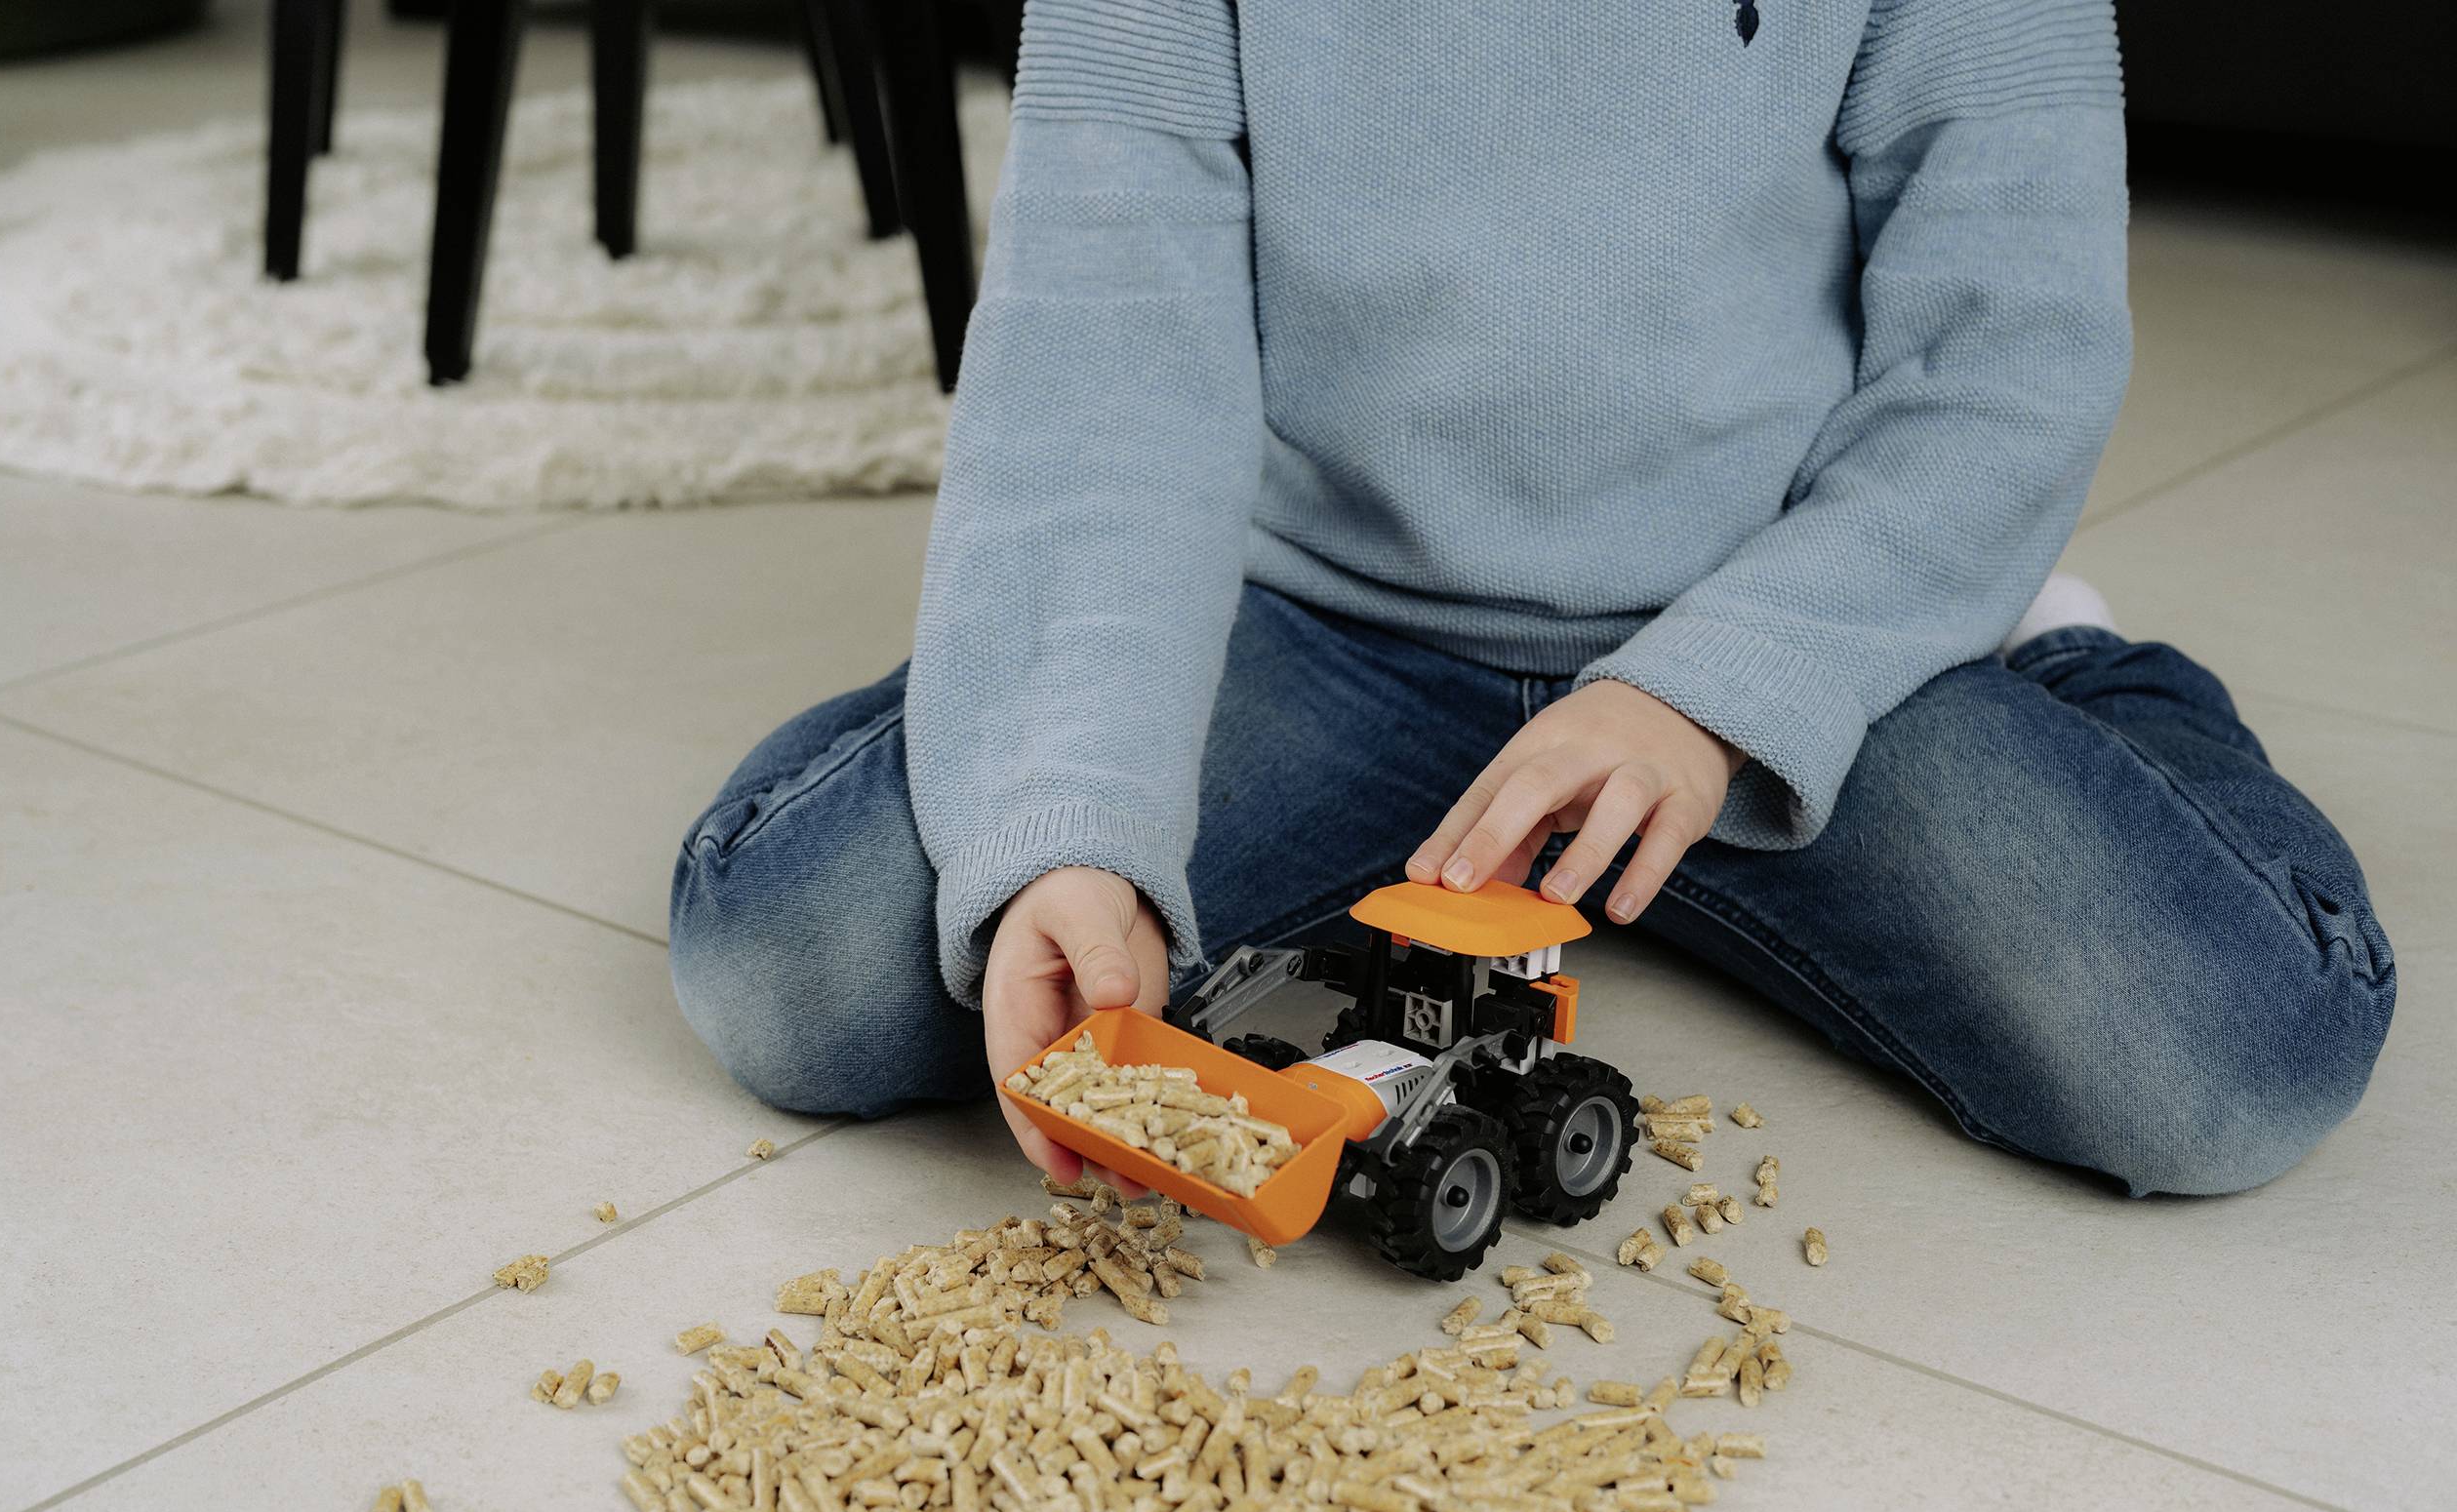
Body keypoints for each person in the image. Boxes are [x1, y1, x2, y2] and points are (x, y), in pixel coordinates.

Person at [669, 0, 2395, 1199]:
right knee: (791, 965)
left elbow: (2009, 352)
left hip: (1759, 611)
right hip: (1322, 616)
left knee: (2240, 1060)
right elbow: (1104, 356)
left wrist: (1724, 693)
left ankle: (2073, 659)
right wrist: (1069, 826)